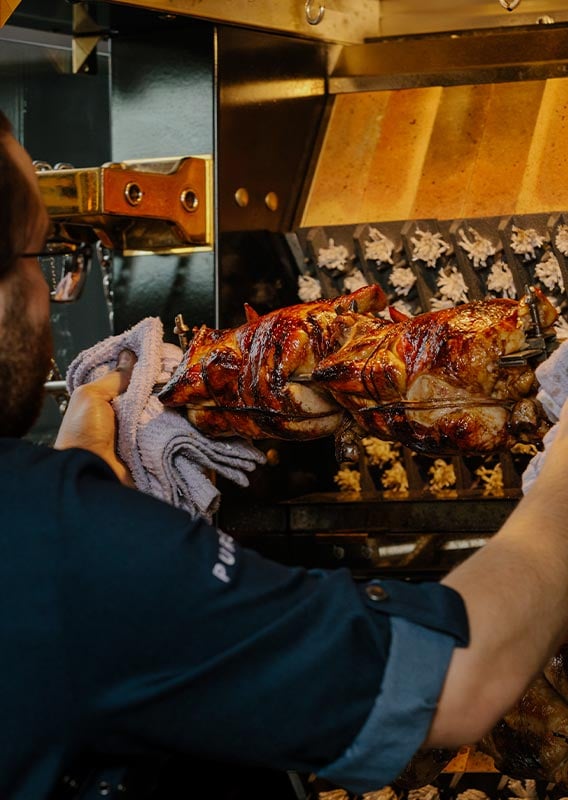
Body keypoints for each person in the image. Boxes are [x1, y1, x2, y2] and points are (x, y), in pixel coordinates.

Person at [2, 107, 568, 800]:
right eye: (43, 257)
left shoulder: (48, 528)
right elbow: (457, 679)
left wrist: (83, 466)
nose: (48, 292)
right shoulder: (64, 545)